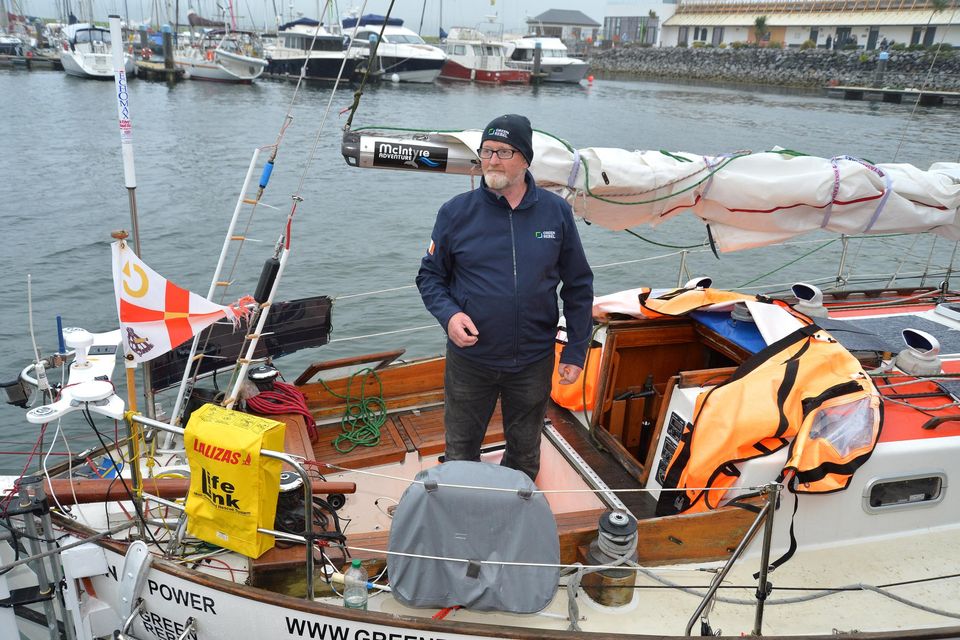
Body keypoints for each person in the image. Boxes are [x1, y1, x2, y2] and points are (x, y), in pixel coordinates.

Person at [416, 114, 594, 482]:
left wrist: (576, 350)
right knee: (461, 452)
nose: (492, 160)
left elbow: (578, 285)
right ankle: (459, 520)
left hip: (532, 360)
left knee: (525, 453)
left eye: (503, 151)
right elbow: (430, 276)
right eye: (486, 151)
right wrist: (449, 316)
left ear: (525, 159)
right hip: (471, 360)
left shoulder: (556, 212)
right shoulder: (455, 213)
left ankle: (516, 518)